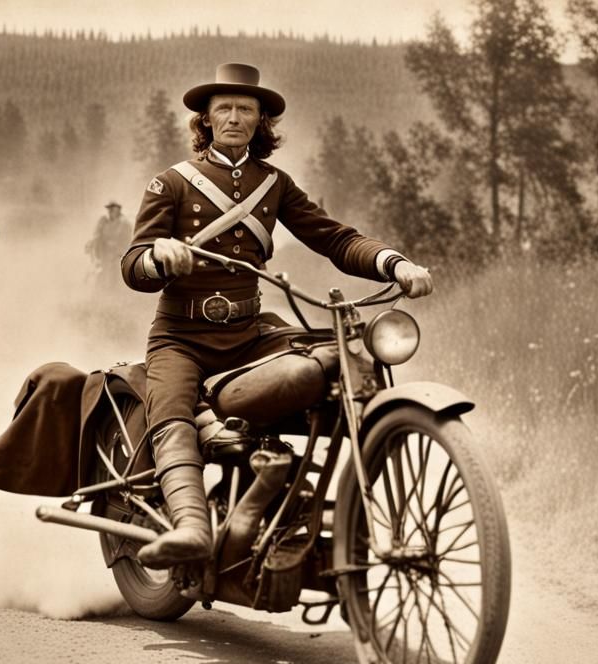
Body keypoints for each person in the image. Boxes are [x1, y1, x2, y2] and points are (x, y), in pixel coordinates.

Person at [122, 63, 434, 568]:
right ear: (205, 118)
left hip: (250, 332)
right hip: (181, 336)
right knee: (172, 410)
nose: (234, 117)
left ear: (260, 121)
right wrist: (160, 256)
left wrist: (393, 263)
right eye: (223, 107)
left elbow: (335, 238)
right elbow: (133, 265)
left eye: (246, 109)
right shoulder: (171, 184)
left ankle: (333, 513)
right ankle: (192, 529)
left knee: (342, 364)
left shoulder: (274, 185)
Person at [87, 201, 132, 283]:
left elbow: (128, 239)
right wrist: (91, 243)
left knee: (116, 274)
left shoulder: (124, 223)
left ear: (118, 210)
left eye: (112, 209)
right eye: (109, 209)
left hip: (118, 253)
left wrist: (118, 248)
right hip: (104, 253)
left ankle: (115, 290)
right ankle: (103, 289)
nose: (110, 211)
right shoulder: (104, 221)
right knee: (103, 272)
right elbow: (97, 235)